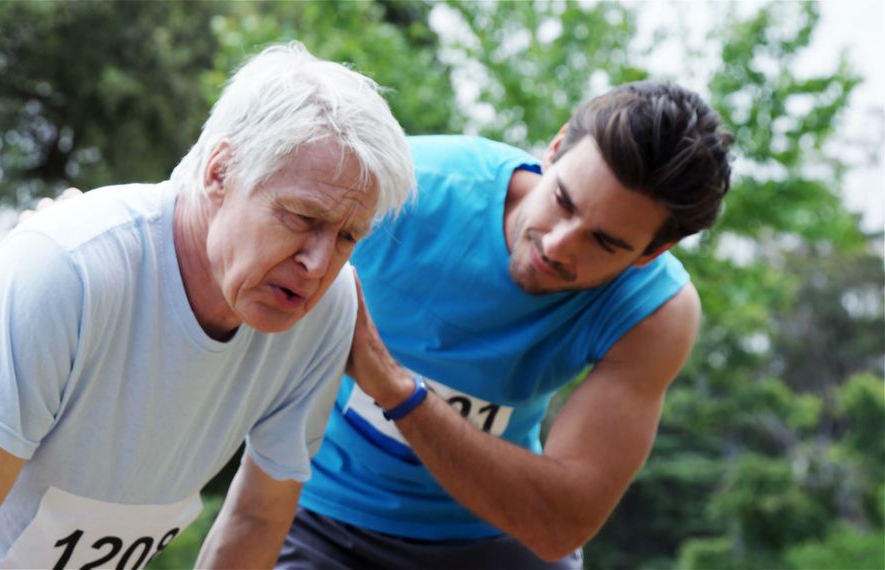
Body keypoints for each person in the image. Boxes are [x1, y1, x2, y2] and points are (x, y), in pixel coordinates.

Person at [0, 42, 414, 569]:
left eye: (346, 236)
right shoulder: (70, 265)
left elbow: (257, 519)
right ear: (221, 170)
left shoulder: (326, 308)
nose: (317, 262)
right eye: (302, 217)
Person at [276, 82, 734, 568]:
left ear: (652, 253)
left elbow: (559, 523)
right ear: (554, 150)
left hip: (501, 530)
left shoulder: (654, 311)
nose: (558, 245)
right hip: (317, 507)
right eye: (564, 201)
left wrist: (395, 388)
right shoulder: (402, 186)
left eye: (604, 241)